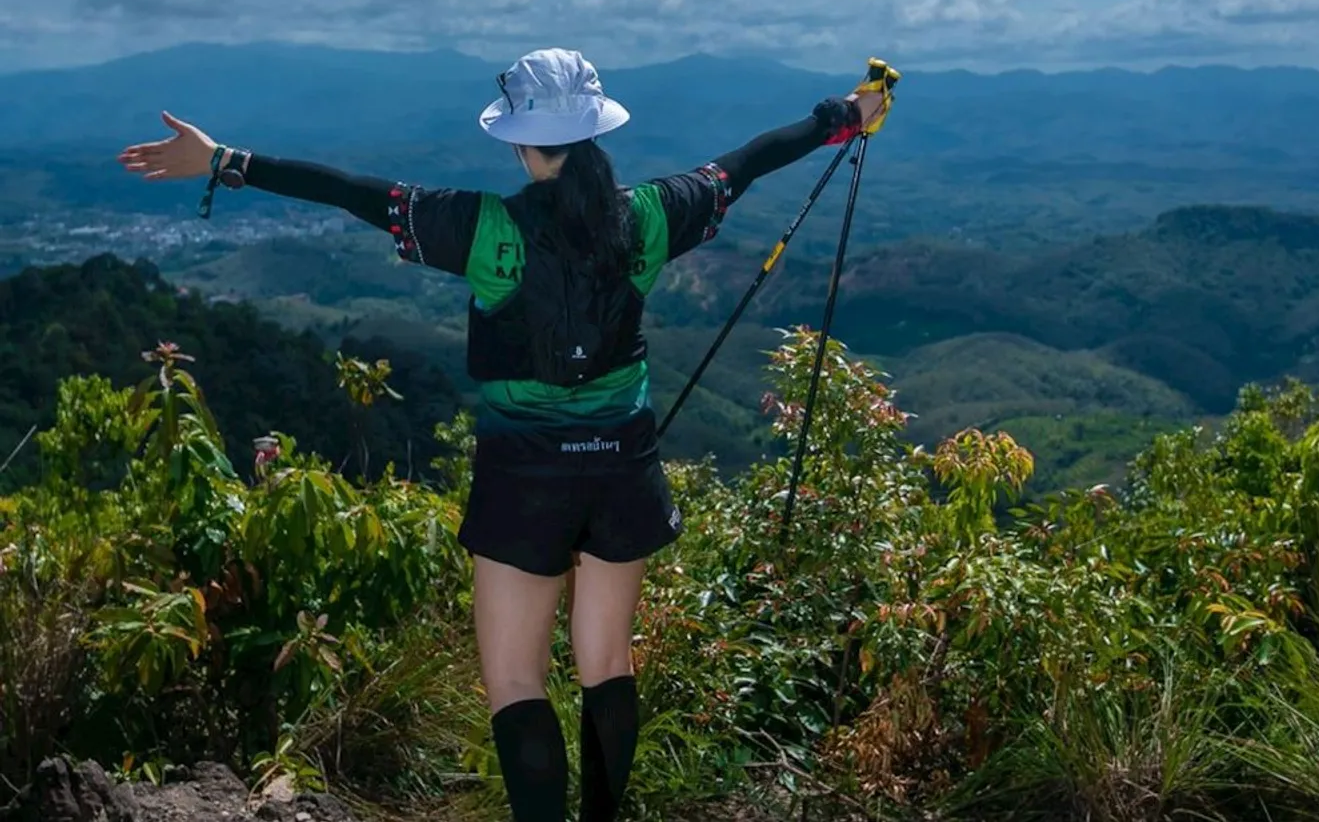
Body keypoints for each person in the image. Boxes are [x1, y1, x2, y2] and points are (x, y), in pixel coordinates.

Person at [115, 47, 887, 822]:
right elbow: (747, 162)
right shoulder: (651, 215)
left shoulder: (485, 230)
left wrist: (224, 160)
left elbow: (355, 194)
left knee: (517, 682)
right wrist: (846, 118)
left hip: (525, 477)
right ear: (592, 131)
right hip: (624, 465)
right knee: (608, 666)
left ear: (520, 141)